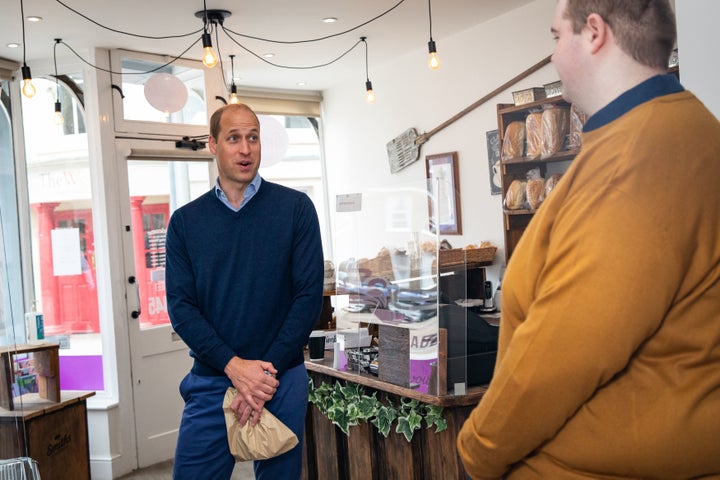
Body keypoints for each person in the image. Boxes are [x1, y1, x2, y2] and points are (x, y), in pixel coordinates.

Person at [457, 1, 720, 478]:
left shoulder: (640, 159)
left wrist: (476, 449)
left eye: (557, 37)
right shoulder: (666, 131)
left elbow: (560, 360)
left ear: (594, 33)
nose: (554, 56)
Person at [165, 103, 324, 479]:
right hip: (212, 379)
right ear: (212, 145)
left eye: (253, 137)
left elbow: (307, 297)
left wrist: (263, 376)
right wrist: (236, 369)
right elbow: (182, 308)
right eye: (234, 138)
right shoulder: (186, 223)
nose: (245, 149)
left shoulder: (296, 209)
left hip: (281, 378)